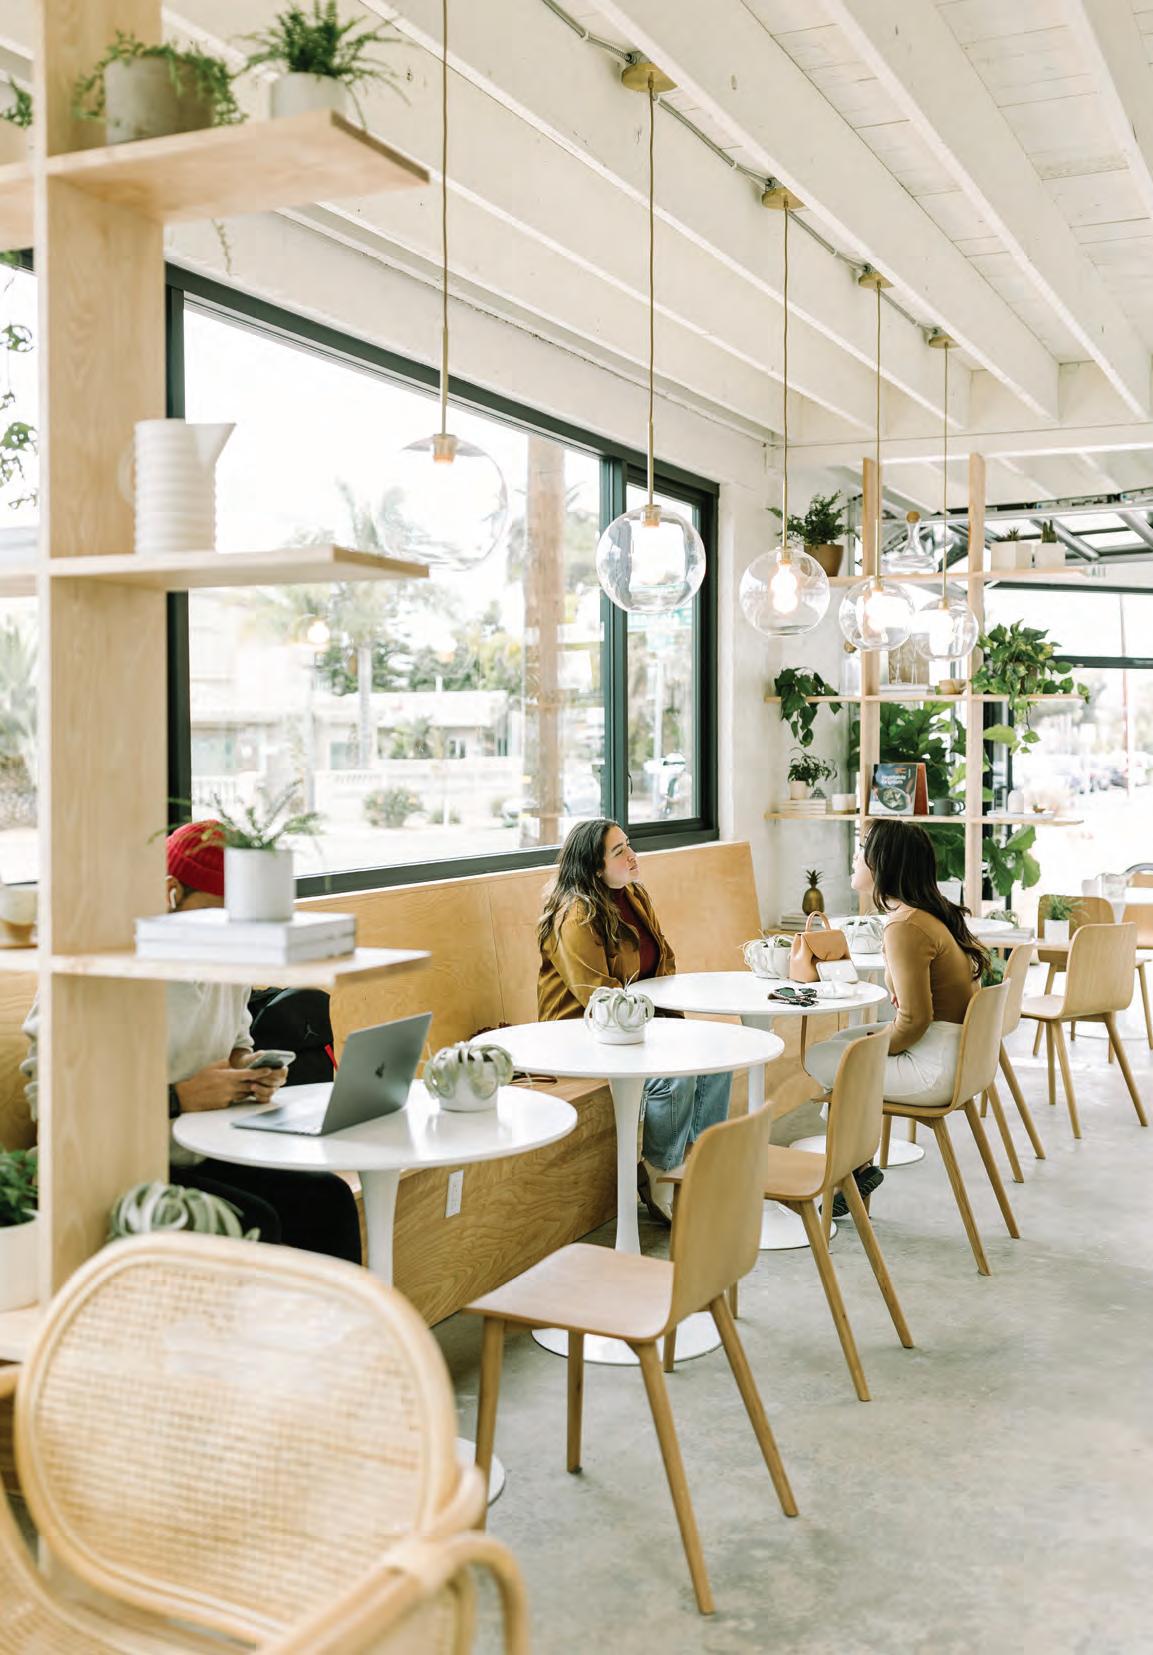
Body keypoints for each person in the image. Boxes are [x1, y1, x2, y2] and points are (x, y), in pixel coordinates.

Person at [21, 820, 361, 1262]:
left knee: (327, 1198)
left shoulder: (227, 956)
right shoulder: (101, 964)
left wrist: (246, 1067)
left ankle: (337, 1311)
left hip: (198, 1148)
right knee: (254, 1220)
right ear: (171, 893)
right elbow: (51, 1104)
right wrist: (177, 1098)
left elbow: (236, 1036)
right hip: (105, 1167)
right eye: (221, 917)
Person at [537, 818, 731, 1222]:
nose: (631, 855)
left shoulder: (634, 894)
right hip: (585, 1036)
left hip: (637, 1024)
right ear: (594, 867)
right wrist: (665, 1032)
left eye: (628, 844)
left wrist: (675, 1027)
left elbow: (664, 960)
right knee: (673, 1076)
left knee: (718, 1057)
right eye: (618, 851)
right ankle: (660, 1173)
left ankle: (695, 1166)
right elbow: (599, 998)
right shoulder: (575, 915)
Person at [804, 819, 989, 1213]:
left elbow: (914, 1021)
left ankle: (850, 1167)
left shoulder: (905, 926)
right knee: (840, 1045)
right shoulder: (924, 916)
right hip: (955, 1054)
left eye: (862, 849)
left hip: (933, 1067)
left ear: (883, 862)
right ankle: (855, 1167)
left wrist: (870, 1050)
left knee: (820, 1058)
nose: (855, 857)